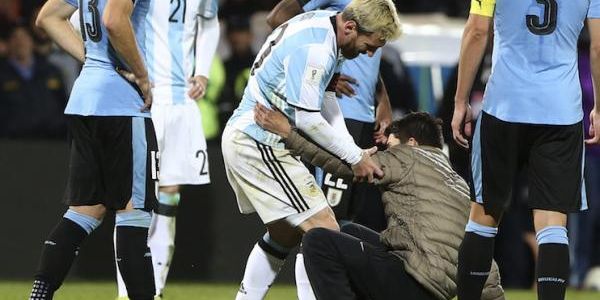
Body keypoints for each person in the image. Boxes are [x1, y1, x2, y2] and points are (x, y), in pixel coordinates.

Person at [221, 1, 401, 299]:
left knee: (285, 234)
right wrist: (354, 158)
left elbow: (327, 100)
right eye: (370, 46)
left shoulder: (325, 25)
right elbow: (307, 118)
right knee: (324, 231)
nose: (370, 54)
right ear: (351, 28)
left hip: (254, 139)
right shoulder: (318, 48)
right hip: (259, 142)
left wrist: (353, 151)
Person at [253, 105, 505, 300]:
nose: (384, 147)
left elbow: (344, 166)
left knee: (317, 240)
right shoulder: (458, 184)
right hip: (433, 289)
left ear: (412, 143)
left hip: (412, 283)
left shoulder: (408, 157)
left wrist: (289, 134)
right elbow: (482, 256)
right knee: (349, 232)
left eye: (391, 142)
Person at [451, 1, 600, 300]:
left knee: (483, 216)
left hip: (503, 106)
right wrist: (599, 107)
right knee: (552, 224)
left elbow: (477, 31)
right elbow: (598, 47)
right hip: (560, 112)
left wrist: (460, 102)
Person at [32, 0, 157, 299]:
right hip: (122, 105)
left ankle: (40, 293)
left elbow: (48, 18)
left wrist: (92, 59)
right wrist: (141, 74)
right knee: (134, 213)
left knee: (84, 212)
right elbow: (114, 20)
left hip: (84, 101)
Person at [112, 0, 220, 298]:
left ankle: (155, 289)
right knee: (136, 198)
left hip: (183, 103)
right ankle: (128, 291)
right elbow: (105, 18)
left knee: (169, 196)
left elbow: (210, 23)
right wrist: (121, 67)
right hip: (148, 98)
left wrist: (202, 72)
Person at [267, 0, 393, 231]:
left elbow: (369, 51)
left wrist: (382, 97)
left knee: (347, 215)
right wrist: (319, 70)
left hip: (364, 116)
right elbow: (278, 17)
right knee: (326, 217)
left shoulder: (380, 6)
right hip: (334, 113)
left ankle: (325, 264)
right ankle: (313, 264)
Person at [0, 23, 68, 139]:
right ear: (8, 43)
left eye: (24, 37)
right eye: (15, 38)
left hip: (53, 141)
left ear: (32, 42)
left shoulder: (51, 71)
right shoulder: (2, 73)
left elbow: (64, 104)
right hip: (11, 143)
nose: (20, 42)